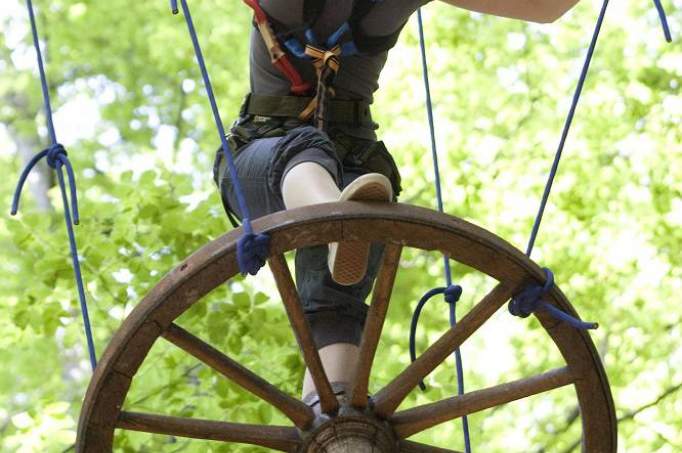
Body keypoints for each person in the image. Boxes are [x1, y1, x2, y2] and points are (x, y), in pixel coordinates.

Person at [213, 0, 581, 407]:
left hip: (353, 170)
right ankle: (341, 222)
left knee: (339, 300)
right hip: (261, 160)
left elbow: (546, 7)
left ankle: (331, 411)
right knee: (305, 153)